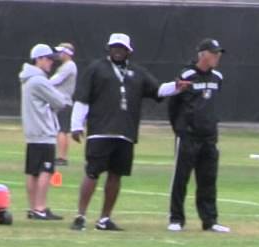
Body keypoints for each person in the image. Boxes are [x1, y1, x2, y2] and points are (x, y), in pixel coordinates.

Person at [69, 33, 188, 231]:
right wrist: (76, 125)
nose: (117, 51)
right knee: (92, 172)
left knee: (116, 175)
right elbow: (82, 98)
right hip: (100, 132)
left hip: (125, 133)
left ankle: (104, 219)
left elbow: (157, 90)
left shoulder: (137, 72)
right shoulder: (96, 69)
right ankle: (80, 216)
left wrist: (176, 87)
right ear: (108, 48)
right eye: (114, 47)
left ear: (128, 51)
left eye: (121, 48)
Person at [167, 38, 229, 233]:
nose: (217, 56)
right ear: (203, 54)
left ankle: (209, 220)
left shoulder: (217, 77)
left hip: (209, 137)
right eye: (214, 53)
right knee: (181, 178)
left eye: (218, 53)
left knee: (208, 179)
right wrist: (180, 129)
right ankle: (176, 219)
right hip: (188, 136)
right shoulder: (187, 75)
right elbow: (173, 104)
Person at [20, 44, 71, 220]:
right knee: (45, 170)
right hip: (43, 131)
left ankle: (33, 207)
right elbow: (59, 102)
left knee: (32, 171)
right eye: (48, 59)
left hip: (32, 131)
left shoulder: (27, 79)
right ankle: (40, 208)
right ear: (39, 59)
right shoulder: (38, 80)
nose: (51, 62)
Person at [49, 42, 76, 167]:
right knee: (61, 130)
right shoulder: (66, 66)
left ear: (67, 53)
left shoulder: (69, 66)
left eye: (61, 52)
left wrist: (42, 83)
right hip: (62, 102)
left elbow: (56, 80)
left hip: (63, 102)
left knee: (61, 130)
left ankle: (61, 157)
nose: (59, 54)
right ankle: (61, 157)